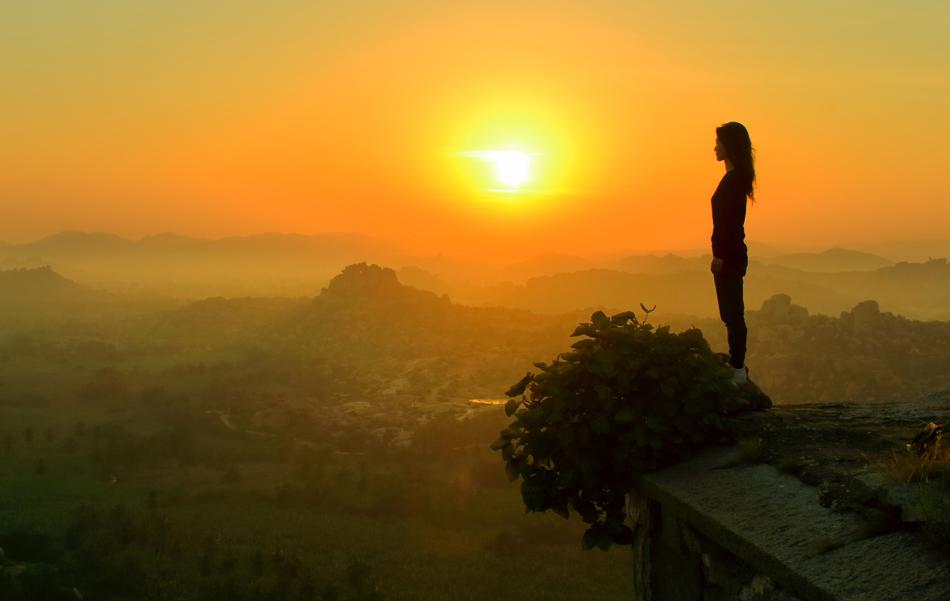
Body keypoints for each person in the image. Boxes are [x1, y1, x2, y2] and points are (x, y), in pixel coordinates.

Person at [710, 121, 755, 385]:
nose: (714, 147)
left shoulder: (734, 180)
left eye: (718, 142)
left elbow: (728, 224)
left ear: (729, 145)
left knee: (732, 312)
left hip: (729, 254)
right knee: (730, 312)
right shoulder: (735, 177)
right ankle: (736, 364)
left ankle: (737, 368)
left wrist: (719, 255)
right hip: (732, 252)